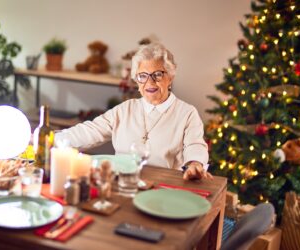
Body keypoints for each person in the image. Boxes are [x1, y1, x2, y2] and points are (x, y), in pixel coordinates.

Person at [55, 43, 212, 180]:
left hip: (164, 188)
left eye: (157, 74)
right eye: (142, 76)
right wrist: (47, 139)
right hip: (122, 182)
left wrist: (195, 163)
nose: (150, 82)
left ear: (170, 77)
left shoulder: (187, 113)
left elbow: (195, 145)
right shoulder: (125, 109)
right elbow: (89, 131)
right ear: (136, 81)